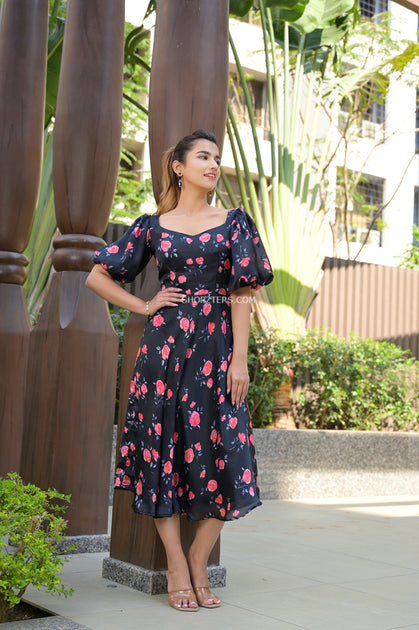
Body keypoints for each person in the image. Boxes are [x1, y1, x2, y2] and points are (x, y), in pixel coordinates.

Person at [86, 129, 273, 612]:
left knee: (230, 454)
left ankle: (197, 555)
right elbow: (97, 276)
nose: (213, 165)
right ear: (179, 166)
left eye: (217, 158)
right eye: (203, 157)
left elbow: (242, 294)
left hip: (217, 354)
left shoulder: (234, 223)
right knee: (161, 451)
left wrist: (240, 358)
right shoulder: (153, 225)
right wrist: (146, 305)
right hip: (163, 355)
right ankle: (175, 563)